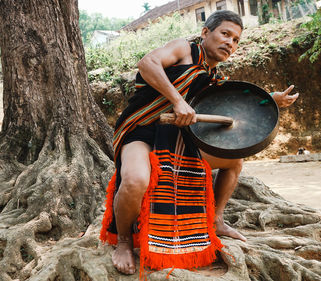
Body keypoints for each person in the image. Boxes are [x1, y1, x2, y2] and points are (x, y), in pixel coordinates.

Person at [100, 10, 299, 275]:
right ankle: (124, 241)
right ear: (206, 32)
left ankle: (216, 220)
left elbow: (235, 108)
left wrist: (271, 99)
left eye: (236, 40)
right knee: (135, 180)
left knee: (234, 162)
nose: (230, 42)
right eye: (225, 34)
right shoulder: (184, 50)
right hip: (142, 131)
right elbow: (147, 63)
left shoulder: (214, 80)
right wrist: (178, 100)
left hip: (177, 142)